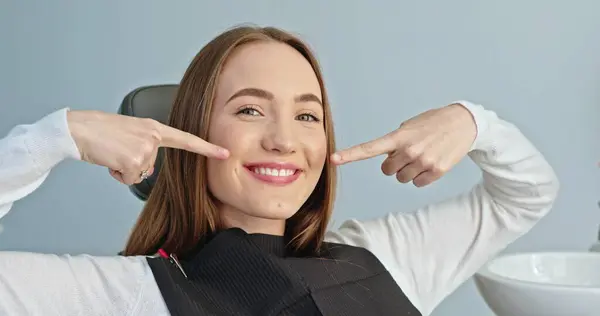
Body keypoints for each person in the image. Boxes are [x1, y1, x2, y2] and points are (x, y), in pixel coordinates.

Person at [0, 25, 559, 316]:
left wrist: (471, 122)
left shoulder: (385, 257)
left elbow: (526, 195)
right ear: (193, 132)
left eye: (307, 115)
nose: (284, 139)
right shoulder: (122, 293)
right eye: (249, 109)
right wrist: (56, 136)